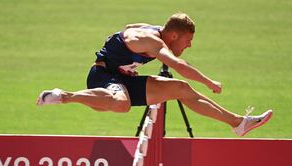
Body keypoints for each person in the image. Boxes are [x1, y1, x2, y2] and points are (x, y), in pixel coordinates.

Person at [36, 13, 272, 137]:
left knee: (181, 89)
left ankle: (238, 123)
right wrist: (209, 82)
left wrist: (122, 54)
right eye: (188, 41)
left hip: (122, 78)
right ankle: (65, 96)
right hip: (102, 78)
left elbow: (128, 27)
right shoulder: (154, 42)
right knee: (122, 104)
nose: (189, 45)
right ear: (174, 36)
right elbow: (180, 65)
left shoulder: (153, 30)